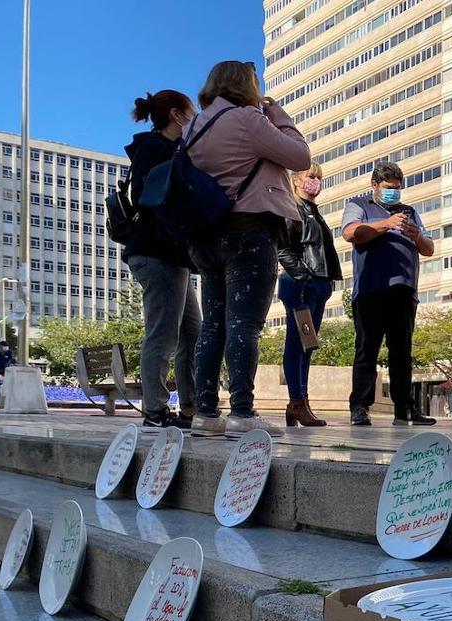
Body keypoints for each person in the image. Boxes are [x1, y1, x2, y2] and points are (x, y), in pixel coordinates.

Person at [186, 61, 312, 438]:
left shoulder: (194, 126)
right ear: (246, 85)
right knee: (244, 323)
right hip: (249, 231)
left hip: (206, 237)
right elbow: (300, 157)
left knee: (213, 325)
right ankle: (242, 412)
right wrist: (279, 116)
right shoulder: (245, 119)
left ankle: (205, 412)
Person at [125, 90, 202, 431]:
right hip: (158, 254)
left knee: (192, 331)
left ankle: (190, 405)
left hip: (171, 256)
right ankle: (155, 410)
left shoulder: (167, 149)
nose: (194, 118)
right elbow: (155, 202)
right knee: (164, 333)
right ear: (176, 114)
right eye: (191, 112)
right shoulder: (156, 150)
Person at [341, 161, 436, 427]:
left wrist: (416, 235)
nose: (393, 192)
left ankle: (404, 408)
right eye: (388, 187)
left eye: (397, 187)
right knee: (367, 349)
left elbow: (429, 248)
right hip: (370, 289)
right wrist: (386, 224)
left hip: (403, 290)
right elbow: (350, 233)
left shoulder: (410, 212)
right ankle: (360, 406)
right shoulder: (359, 205)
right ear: (375, 185)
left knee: (402, 351)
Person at [278, 161, 342, 427]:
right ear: (295, 180)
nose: (315, 182)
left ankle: (299, 403)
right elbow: (283, 249)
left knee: (308, 345)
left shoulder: (313, 211)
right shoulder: (291, 208)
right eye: (310, 176)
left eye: (318, 177)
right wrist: (304, 277)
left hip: (316, 284)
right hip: (301, 285)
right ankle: (297, 402)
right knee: (298, 344)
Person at [0, 339, 14, 407]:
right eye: (3, 347)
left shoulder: (8, 352)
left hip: (5, 370)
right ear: (0, 347)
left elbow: (11, 360)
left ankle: (8, 400)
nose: (5, 349)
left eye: (6, 347)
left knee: (9, 384)